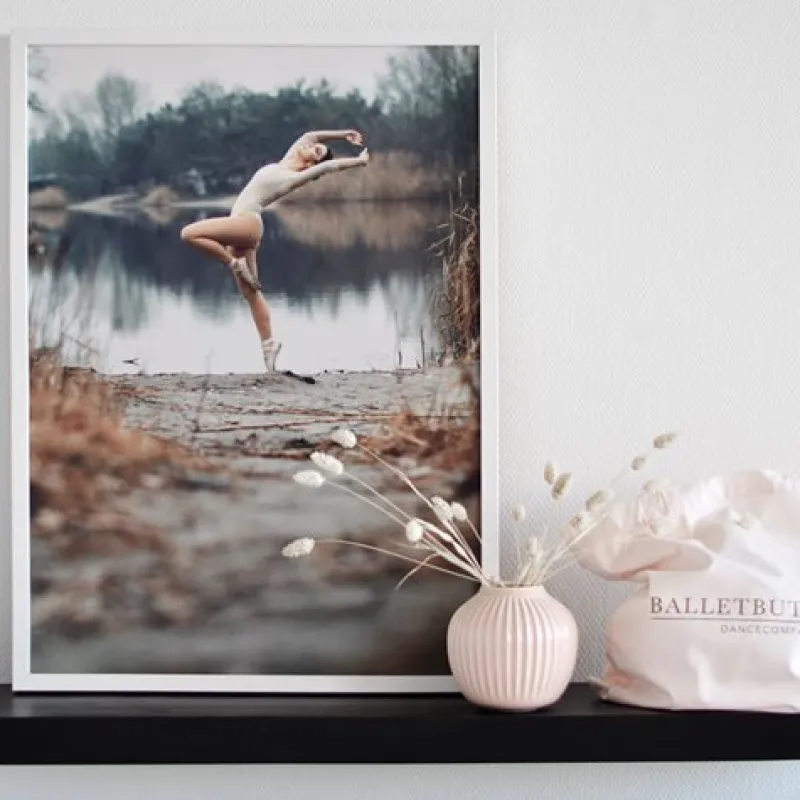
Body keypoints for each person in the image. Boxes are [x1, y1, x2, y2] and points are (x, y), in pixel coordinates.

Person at [180, 129, 370, 371]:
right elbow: (311, 135)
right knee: (252, 293)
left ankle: (232, 263)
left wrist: (360, 161)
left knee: (188, 233)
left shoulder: (295, 176)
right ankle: (269, 349)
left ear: (312, 161)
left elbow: (328, 168)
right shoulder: (286, 162)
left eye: (317, 151)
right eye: (315, 147)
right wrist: (345, 134)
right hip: (244, 232)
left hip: (247, 224)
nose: (312, 146)